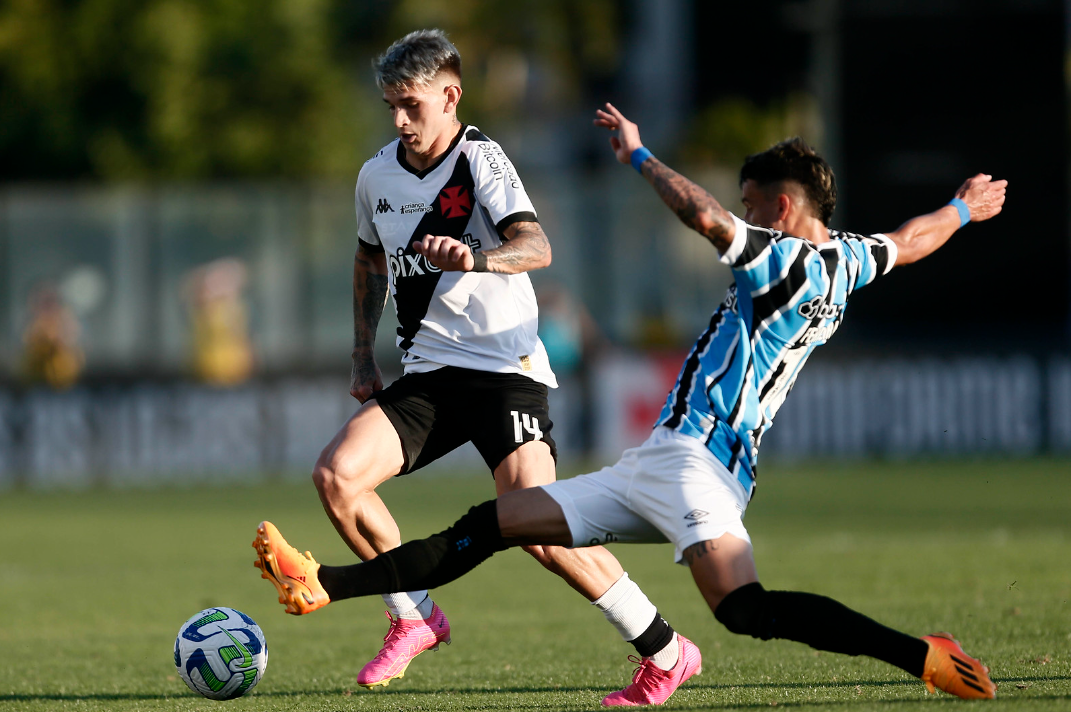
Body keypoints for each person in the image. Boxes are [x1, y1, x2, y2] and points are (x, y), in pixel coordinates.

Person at [254, 103, 1005, 704]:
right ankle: (329, 585)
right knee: (496, 524)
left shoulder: (781, 257)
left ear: (779, 207)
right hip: (658, 460)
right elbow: (910, 240)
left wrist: (640, 156)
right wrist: (963, 209)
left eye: (752, 204)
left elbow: (705, 217)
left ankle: (922, 657)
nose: (740, 216)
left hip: (699, 467)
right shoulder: (849, 259)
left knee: (745, 612)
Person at [255, 32, 691, 699]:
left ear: (449, 96)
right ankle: (414, 616)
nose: (399, 120)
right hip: (430, 373)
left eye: (410, 105)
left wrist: (475, 259)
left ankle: (664, 649)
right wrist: (359, 352)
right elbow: (369, 258)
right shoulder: (376, 175)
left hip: (505, 370)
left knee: (538, 530)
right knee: (337, 478)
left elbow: (535, 246)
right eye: (389, 106)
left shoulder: (480, 159)